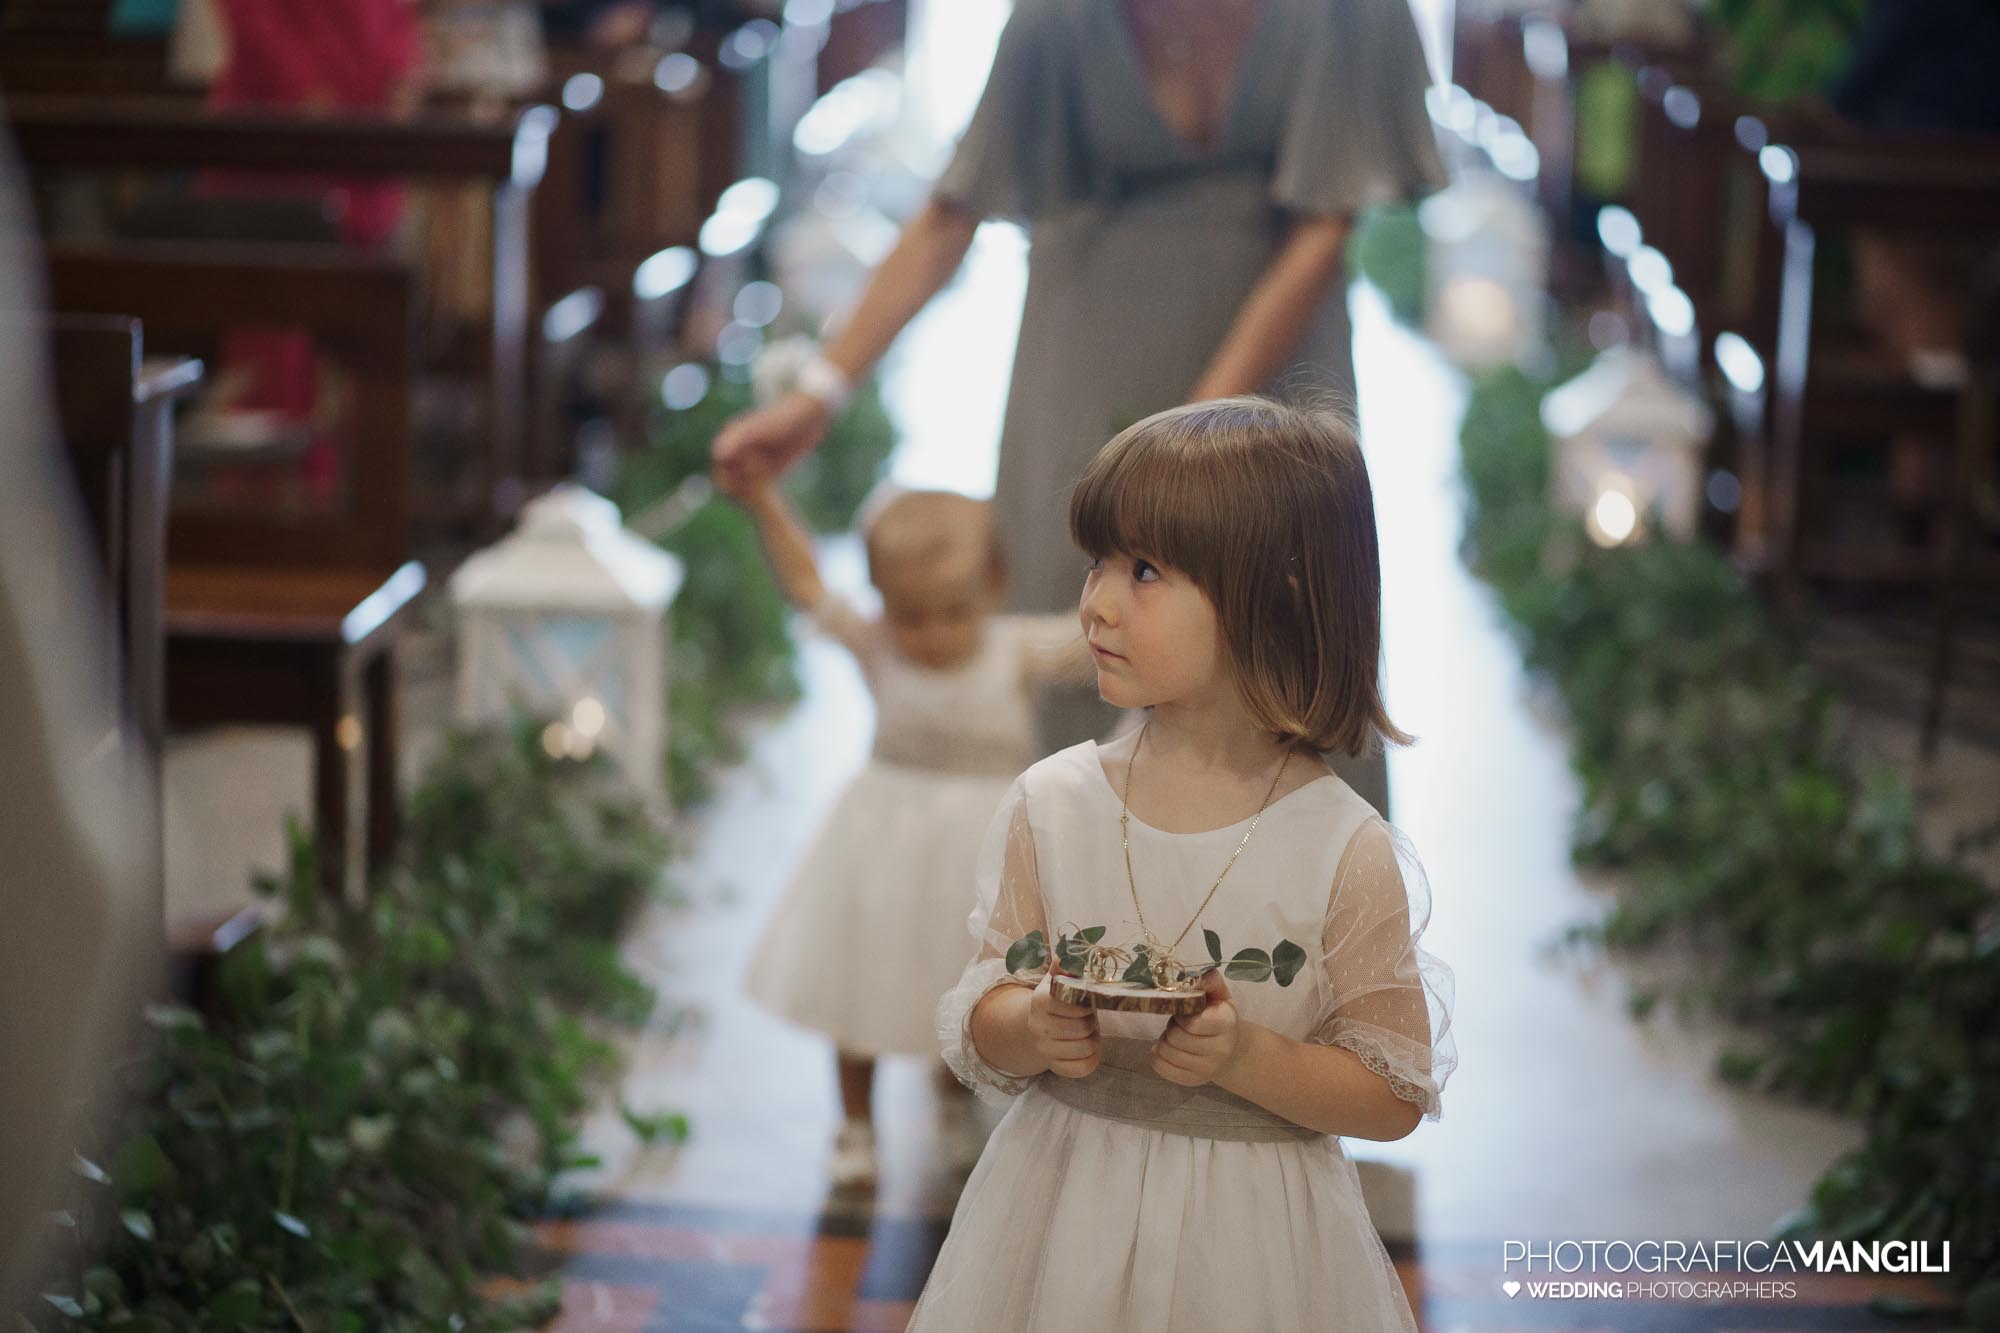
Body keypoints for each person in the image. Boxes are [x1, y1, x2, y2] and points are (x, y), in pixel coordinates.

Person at [712, 0, 1444, 809]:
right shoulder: (1055, 18)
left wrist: (1193, 434)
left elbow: (1324, 228)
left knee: (1282, 619)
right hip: (1085, 355)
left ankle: (1306, 913)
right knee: (1079, 614)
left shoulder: (1349, 15)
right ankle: (1073, 909)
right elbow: (953, 207)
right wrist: (820, 392)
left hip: (1278, 373)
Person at [912, 398, 1455, 1330]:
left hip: (1255, 1251)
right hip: (1057, 1224)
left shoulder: (1341, 847)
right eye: (1098, 563)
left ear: (1276, 593)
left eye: (1147, 570)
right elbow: (978, 1008)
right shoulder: (1053, 804)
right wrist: (1032, 1024)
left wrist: (1248, 1054)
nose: (1097, 601)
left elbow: (1393, 1092)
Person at [717, 474, 1089, 1184]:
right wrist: (765, 497)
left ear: (995, 584)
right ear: (884, 602)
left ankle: (955, 1099)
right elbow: (808, 585)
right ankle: (854, 1123)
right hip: (882, 844)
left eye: (954, 612)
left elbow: (1095, 633)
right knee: (863, 980)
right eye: (910, 615)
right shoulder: (877, 644)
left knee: (964, 977)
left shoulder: (1014, 648)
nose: (933, 634)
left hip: (983, 852)